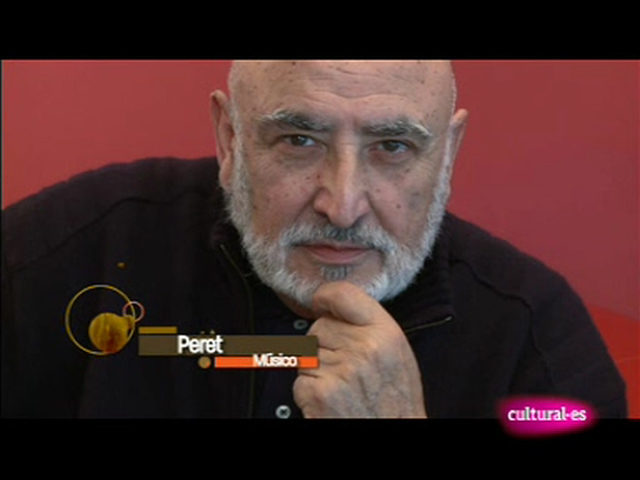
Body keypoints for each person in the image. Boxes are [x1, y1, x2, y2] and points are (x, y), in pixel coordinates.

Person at [1, 61, 627, 418]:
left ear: (448, 153)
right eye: (299, 140)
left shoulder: (536, 338)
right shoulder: (69, 250)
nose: (343, 206)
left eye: (392, 146)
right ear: (229, 140)